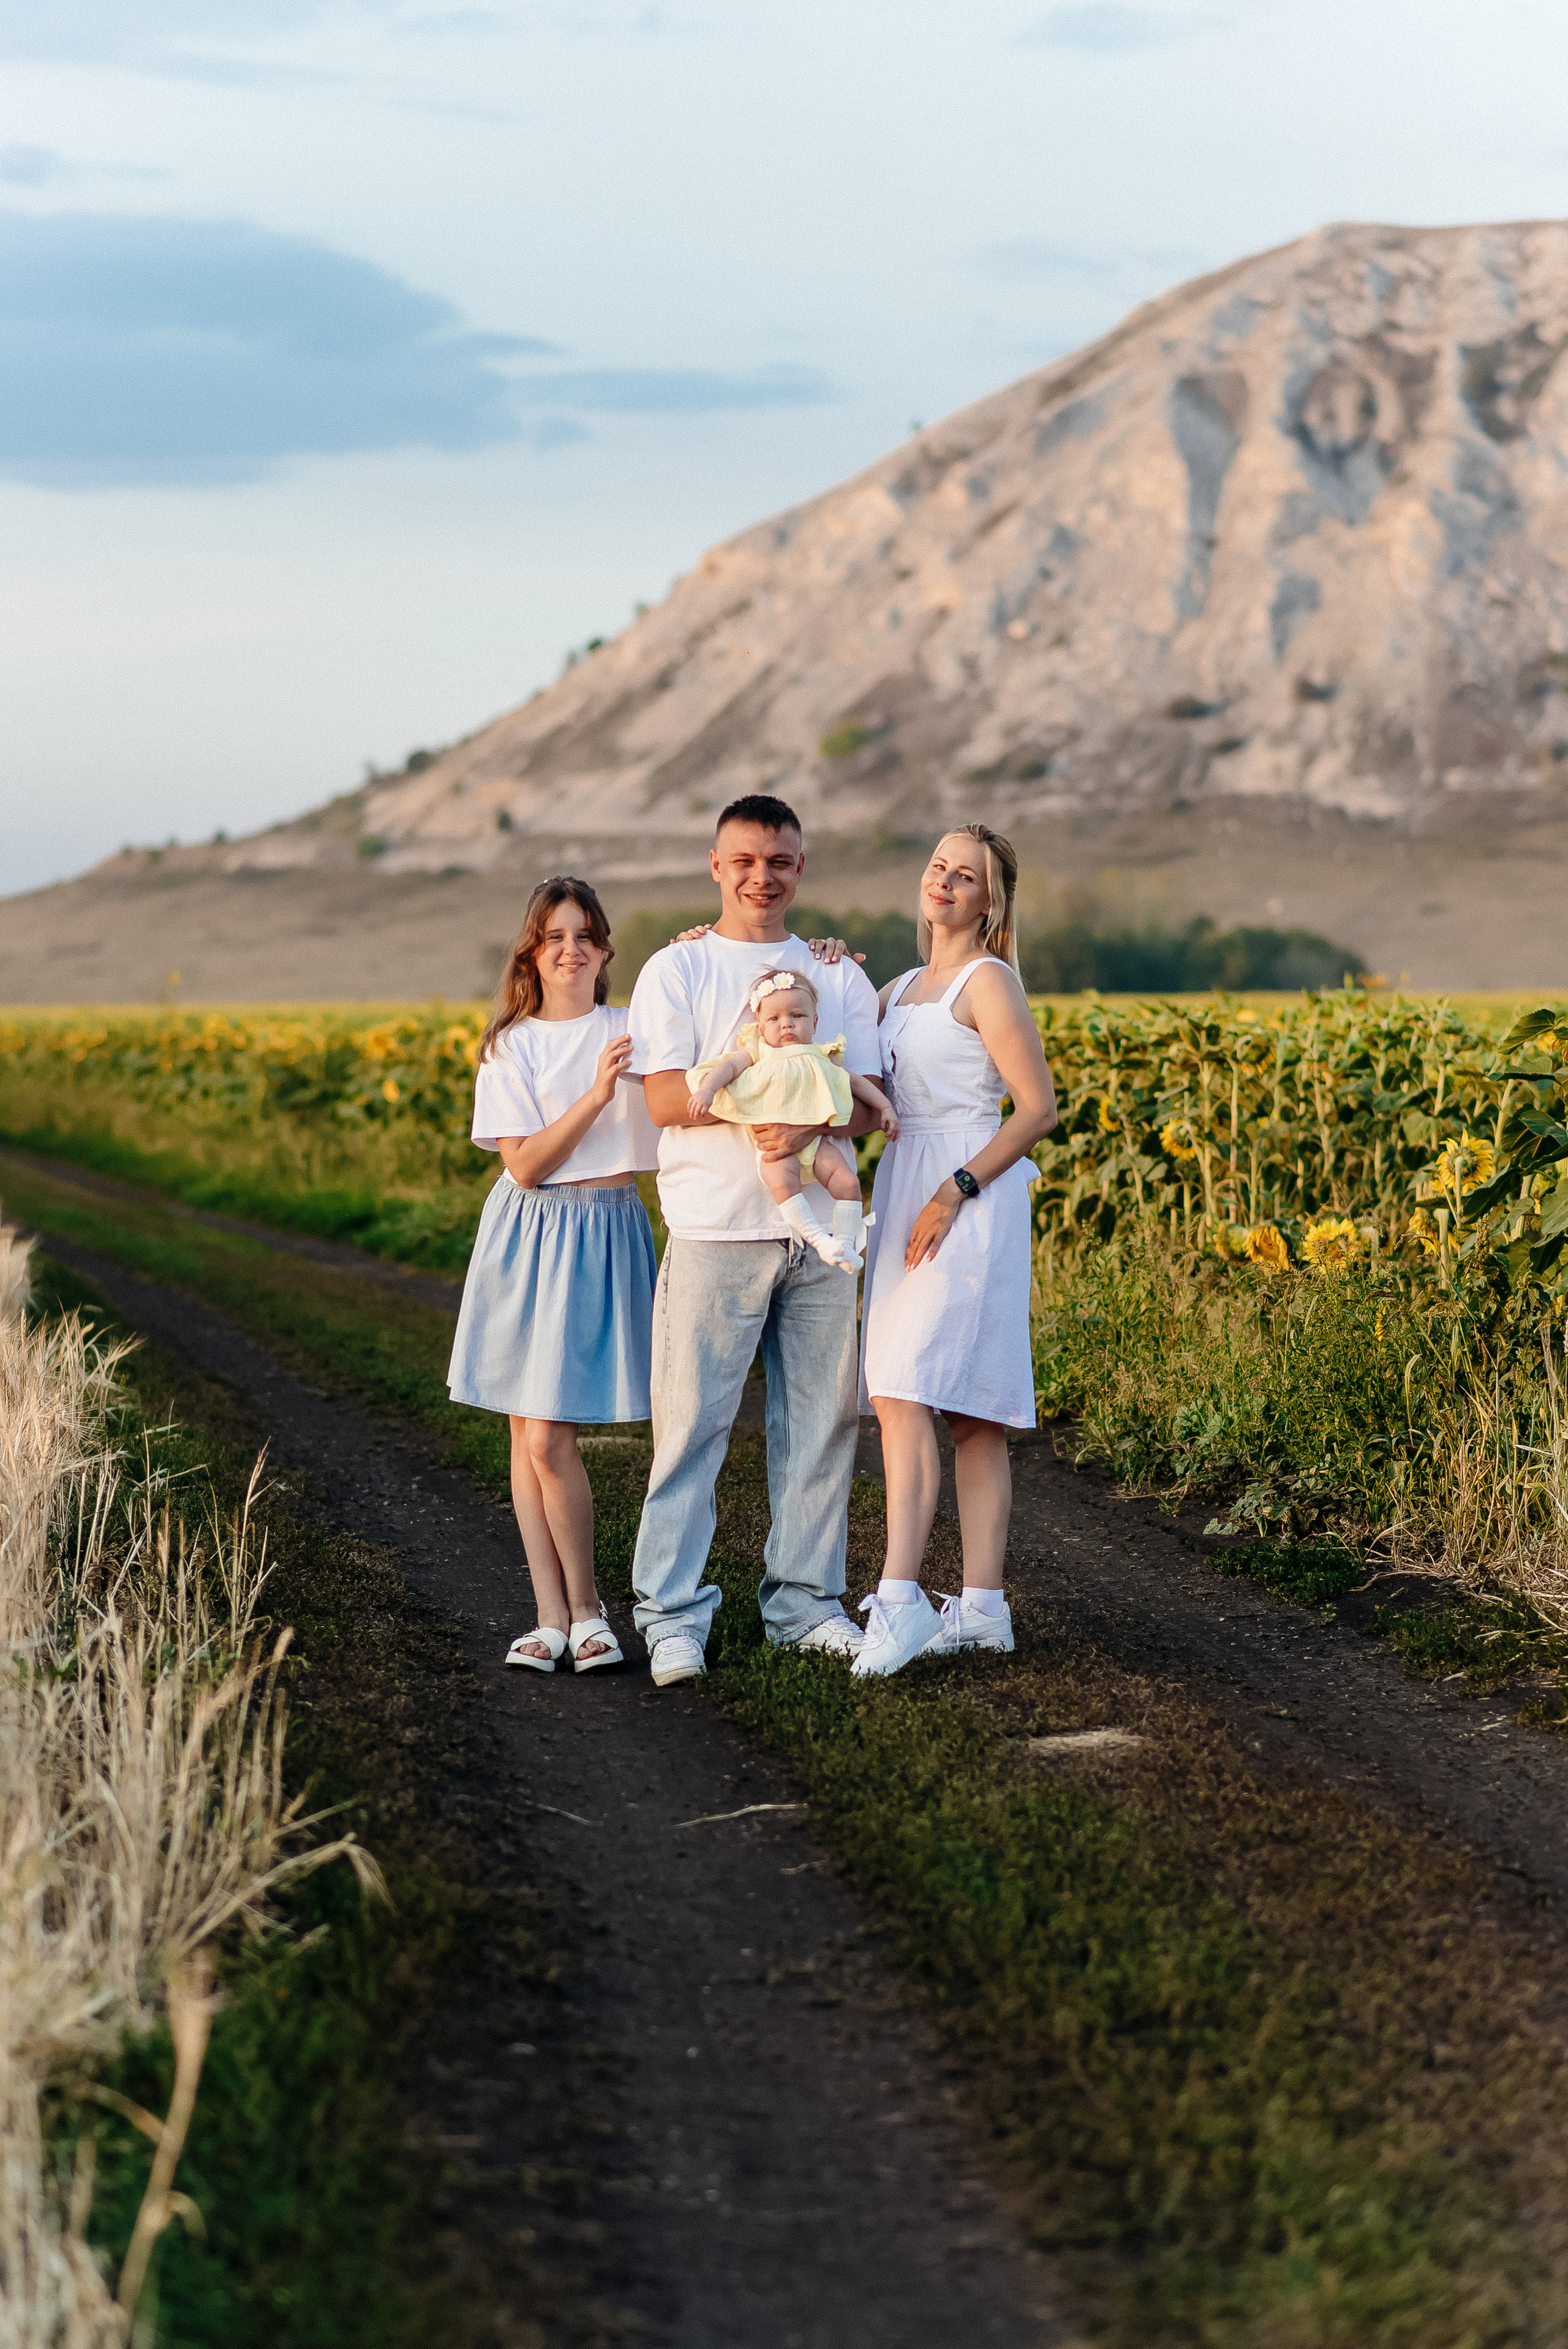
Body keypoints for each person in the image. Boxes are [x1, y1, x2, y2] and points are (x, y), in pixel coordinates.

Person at [626, 793, 883, 1687]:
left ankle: (805, 1607)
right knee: (690, 1429)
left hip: (821, 1245)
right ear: (715, 866)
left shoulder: (837, 976)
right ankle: (671, 1615)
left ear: (800, 868)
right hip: (714, 1228)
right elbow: (666, 1099)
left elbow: (867, 1100)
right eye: (743, 860)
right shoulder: (678, 968)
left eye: (778, 861)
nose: (760, 877)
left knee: (821, 1426)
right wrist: (779, 1112)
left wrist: (807, 1126)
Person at [851, 825, 1058, 1678]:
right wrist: (826, 968)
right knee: (956, 1410)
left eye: (965, 876)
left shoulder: (989, 981)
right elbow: (853, 1080)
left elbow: (1037, 1108)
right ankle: (983, 1610)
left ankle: (899, 1599)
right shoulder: (896, 989)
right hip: (904, 1186)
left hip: (968, 1196)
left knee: (910, 1391)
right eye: (938, 867)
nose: (943, 881)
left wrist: (954, 1191)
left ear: (990, 902)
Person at [448, 877, 659, 1676]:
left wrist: (813, 967)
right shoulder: (511, 1044)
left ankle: (586, 1609)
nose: (570, 949)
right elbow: (527, 1166)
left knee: (546, 1436)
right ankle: (555, 1616)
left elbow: (742, 1027)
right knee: (527, 1434)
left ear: (604, 950)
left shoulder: (634, 1029)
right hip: (529, 1229)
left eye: (584, 935)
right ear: (531, 954)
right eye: (553, 936)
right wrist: (597, 1094)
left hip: (603, 1230)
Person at [687, 966, 897, 1271]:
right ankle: (818, 1240)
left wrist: (885, 1107)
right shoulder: (758, 1052)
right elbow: (728, 1069)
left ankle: (845, 1241)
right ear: (759, 1027)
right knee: (783, 1182)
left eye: (797, 1016)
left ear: (815, 1022)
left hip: (818, 1143)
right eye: (774, 1019)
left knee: (847, 1181)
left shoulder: (822, 1055)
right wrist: (707, 1091)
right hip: (775, 1148)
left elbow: (856, 1083)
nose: (786, 1024)